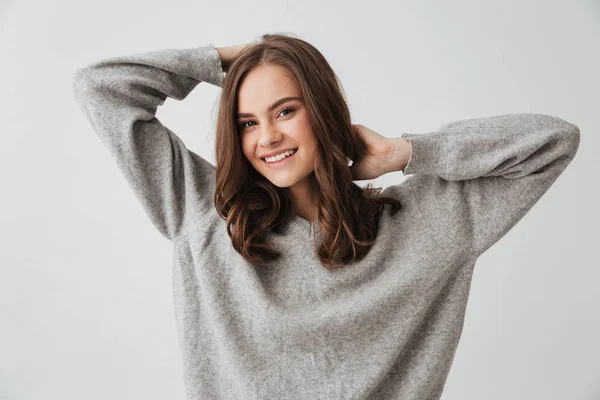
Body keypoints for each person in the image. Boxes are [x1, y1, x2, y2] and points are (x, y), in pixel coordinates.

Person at [72, 33, 580, 400]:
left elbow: (551, 142)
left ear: (325, 111)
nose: (266, 137)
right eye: (247, 122)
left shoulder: (426, 223)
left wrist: (405, 152)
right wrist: (230, 58)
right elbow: (102, 87)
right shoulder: (202, 213)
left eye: (285, 111)